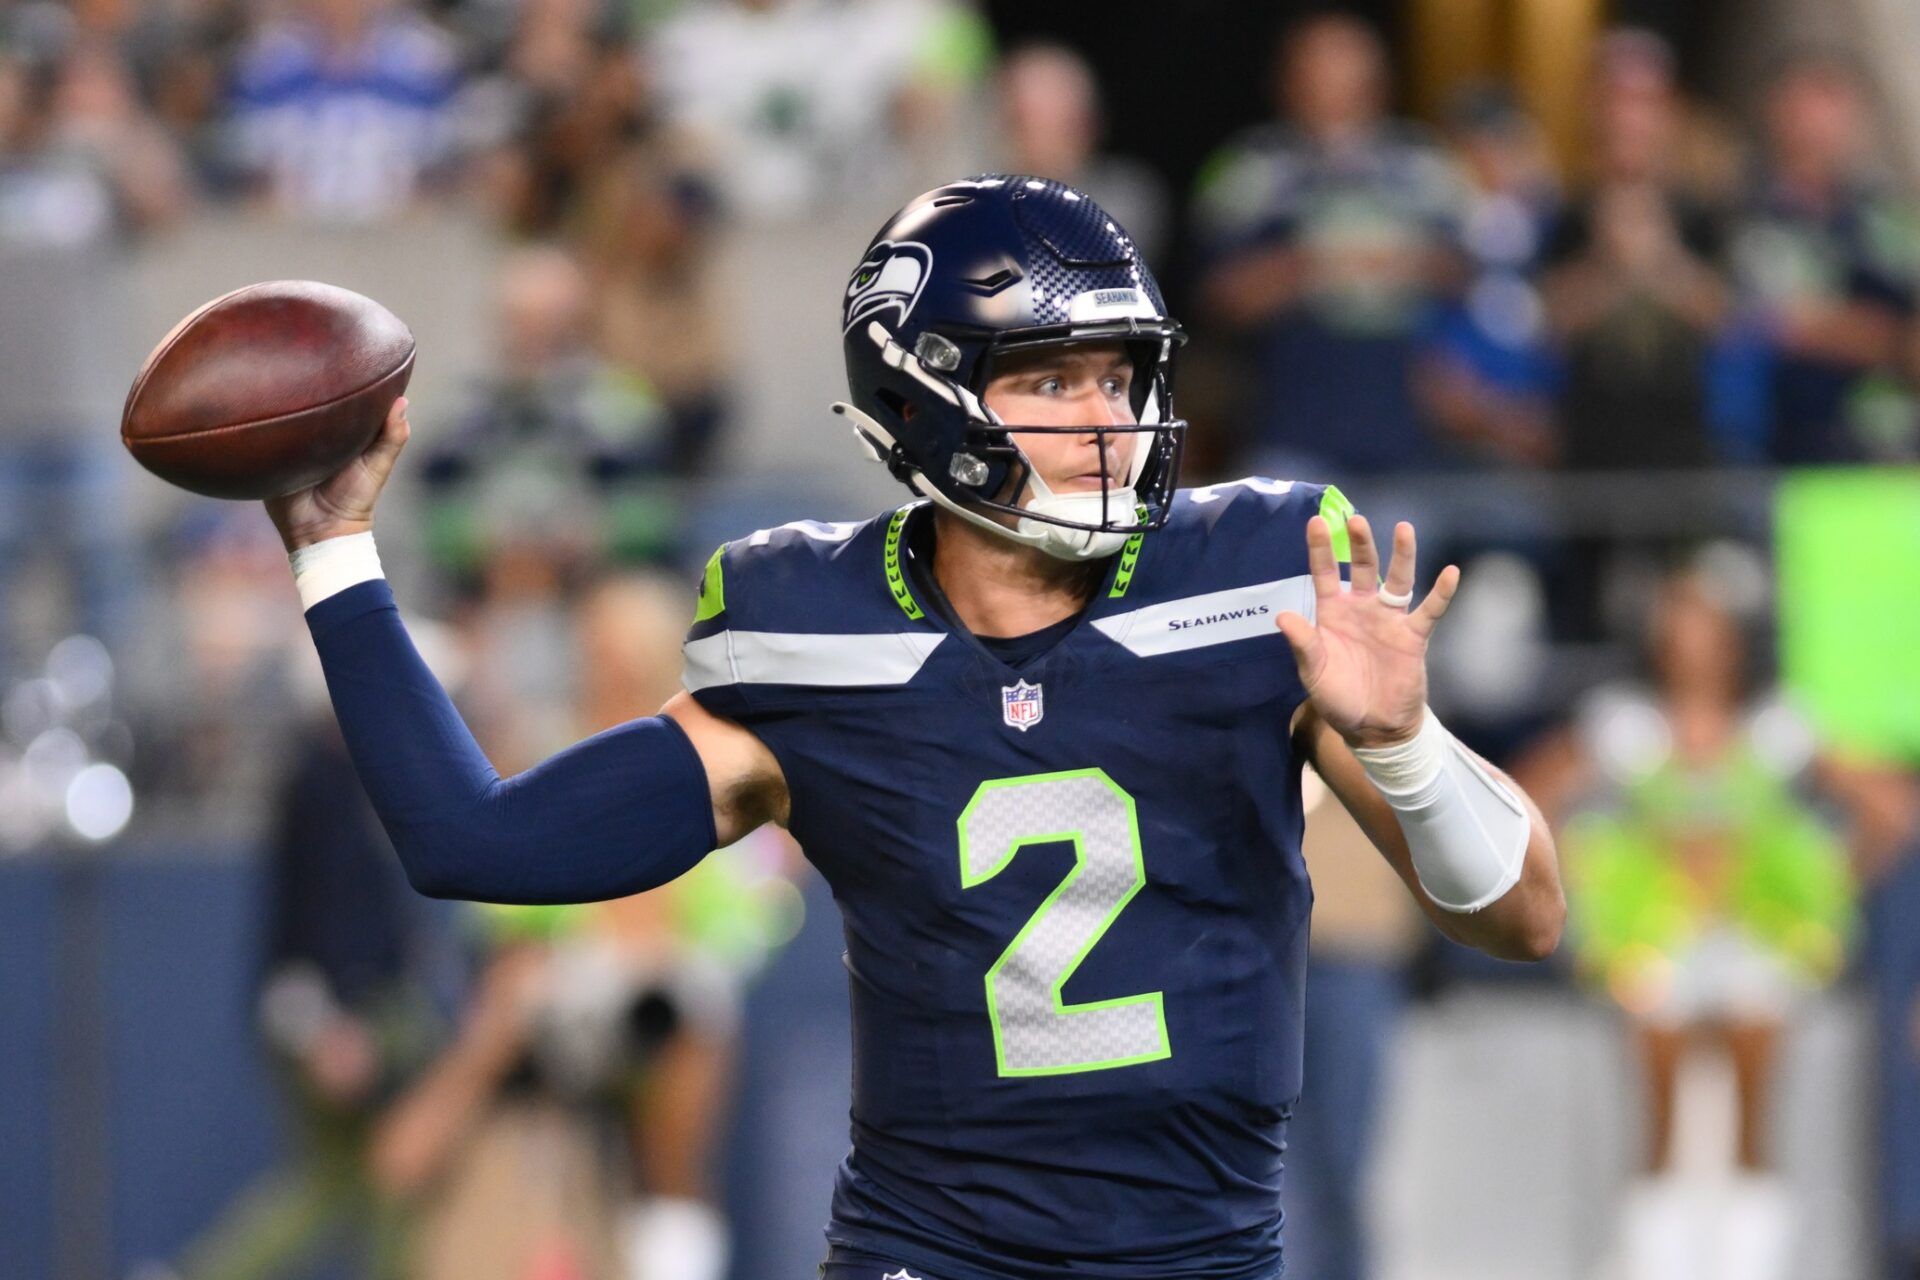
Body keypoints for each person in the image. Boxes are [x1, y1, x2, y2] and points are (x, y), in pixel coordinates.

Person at [263, 176, 1565, 1279]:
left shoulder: (1257, 578)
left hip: (1201, 1253)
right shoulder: (812, 634)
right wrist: (336, 556)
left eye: (1121, 376)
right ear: (923, 396)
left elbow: (1523, 916)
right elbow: (473, 842)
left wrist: (1400, 745)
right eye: (1054, 379)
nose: (1109, 421)